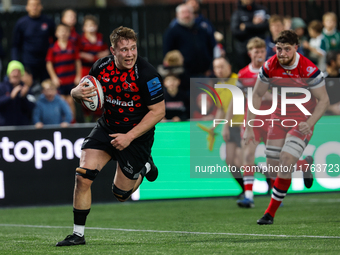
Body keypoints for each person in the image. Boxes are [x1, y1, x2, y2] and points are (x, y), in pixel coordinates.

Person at [56, 26, 165, 246]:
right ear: (112, 51)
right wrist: (74, 93)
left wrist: (129, 137)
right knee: (83, 176)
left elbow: (159, 111)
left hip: (136, 137)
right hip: (107, 127)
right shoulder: (101, 66)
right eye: (124, 49)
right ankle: (78, 234)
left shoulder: (147, 74)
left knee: (120, 194)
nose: (130, 54)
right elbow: (87, 92)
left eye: (133, 48)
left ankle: (145, 167)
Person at [243, 30, 329, 224]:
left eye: (287, 49)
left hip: (302, 120)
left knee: (286, 158)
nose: (281, 53)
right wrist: (249, 127)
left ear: (296, 49)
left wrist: (310, 123)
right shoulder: (269, 66)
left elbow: (323, 100)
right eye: (279, 49)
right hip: (278, 119)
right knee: (273, 168)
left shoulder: (308, 69)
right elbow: (256, 95)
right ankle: (304, 165)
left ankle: (269, 214)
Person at [234, 37, 272, 208]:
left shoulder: (273, 72)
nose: (259, 54)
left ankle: (275, 194)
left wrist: (265, 96)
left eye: (262, 51)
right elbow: (238, 98)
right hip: (252, 120)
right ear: (250, 53)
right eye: (256, 51)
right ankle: (249, 196)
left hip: (271, 119)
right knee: (248, 155)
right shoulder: (242, 74)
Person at [163, 4, 215, 77]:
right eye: (183, 13)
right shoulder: (171, 32)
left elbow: (211, 48)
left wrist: (210, 68)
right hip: (183, 77)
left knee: (204, 89)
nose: (187, 15)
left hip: (204, 74)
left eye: (189, 12)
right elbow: (167, 55)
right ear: (177, 15)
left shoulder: (202, 30)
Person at [11, 0, 55, 82]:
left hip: (45, 63)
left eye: (37, 5)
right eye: (32, 5)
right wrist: (15, 61)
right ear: (27, 7)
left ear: (41, 6)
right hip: (28, 63)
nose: (34, 7)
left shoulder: (48, 22)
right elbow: (16, 45)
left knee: (46, 88)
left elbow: (55, 42)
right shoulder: (21, 23)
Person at [46, 23, 82, 121]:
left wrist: (78, 76)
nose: (63, 33)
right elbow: (49, 64)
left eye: (66, 31)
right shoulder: (53, 48)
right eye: (61, 31)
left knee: (70, 101)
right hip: (59, 81)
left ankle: (72, 123)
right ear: (56, 33)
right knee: (61, 101)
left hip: (70, 80)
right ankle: (62, 123)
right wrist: (54, 77)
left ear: (69, 33)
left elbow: (77, 62)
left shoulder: (73, 47)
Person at [230, 0, 269, 71]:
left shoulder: (261, 9)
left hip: (260, 50)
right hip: (243, 52)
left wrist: (246, 26)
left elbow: (266, 26)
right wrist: (255, 25)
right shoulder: (237, 13)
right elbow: (236, 33)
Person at [0, 60, 36, 126]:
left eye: (18, 72)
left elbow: (32, 108)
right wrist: (10, 97)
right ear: (9, 73)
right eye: (13, 71)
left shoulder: (26, 88)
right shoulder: (2, 87)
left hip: (21, 129)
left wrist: (24, 97)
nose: (16, 74)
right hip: (4, 128)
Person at [324, 51, 340, 115]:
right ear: (333, 62)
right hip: (325, 114)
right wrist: (331, 108)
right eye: (339, 59)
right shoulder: (322, 78)